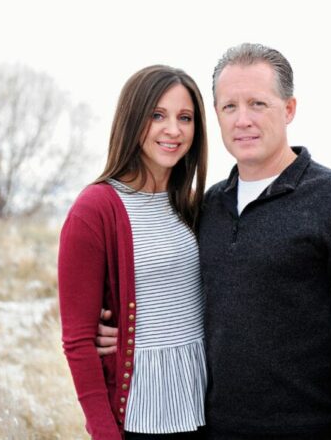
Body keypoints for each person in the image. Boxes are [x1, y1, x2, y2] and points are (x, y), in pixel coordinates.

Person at [97, 44, 331, 440]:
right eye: (229, 107)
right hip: (213, 429)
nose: (243, 120)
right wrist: (125, 332)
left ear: (289, 109)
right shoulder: (206, 208)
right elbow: (184, 303)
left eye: (258, 104)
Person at [58, 65, 209, 440]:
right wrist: (104, 433)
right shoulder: (95, 209)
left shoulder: (195, 207)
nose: (173, 129)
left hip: (207, 409)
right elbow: (78, 341)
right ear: (131, 119)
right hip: (140, 417)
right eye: (157, 115)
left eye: (185, 117)